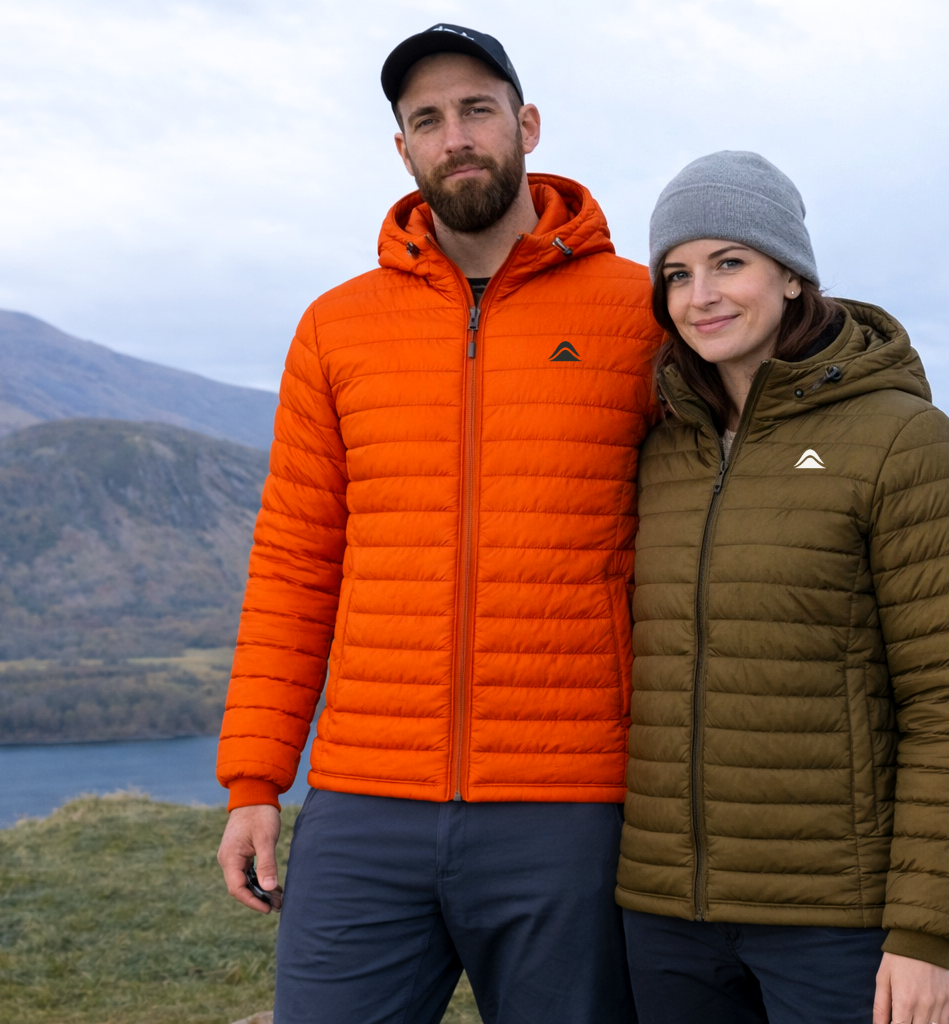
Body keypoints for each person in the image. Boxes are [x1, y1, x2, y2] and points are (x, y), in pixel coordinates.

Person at [214, 24, 660, 1024]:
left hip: (571, 801)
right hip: (366, 798)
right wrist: (255, 780)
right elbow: (294, 564)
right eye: (427, 119)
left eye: (476, 110)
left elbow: (734, 503)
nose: (455, 136)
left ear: (526, 125)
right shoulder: (337, 328)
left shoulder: (640, 311)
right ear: (403, 148)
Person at [616, 151, 949, 1024]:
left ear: (791, 274)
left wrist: (923, 933)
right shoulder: (662, 445)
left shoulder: (902, 438)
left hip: (835, 918)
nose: (700, 296)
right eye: (677, 274)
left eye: (729, 262)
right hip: (666, 914)